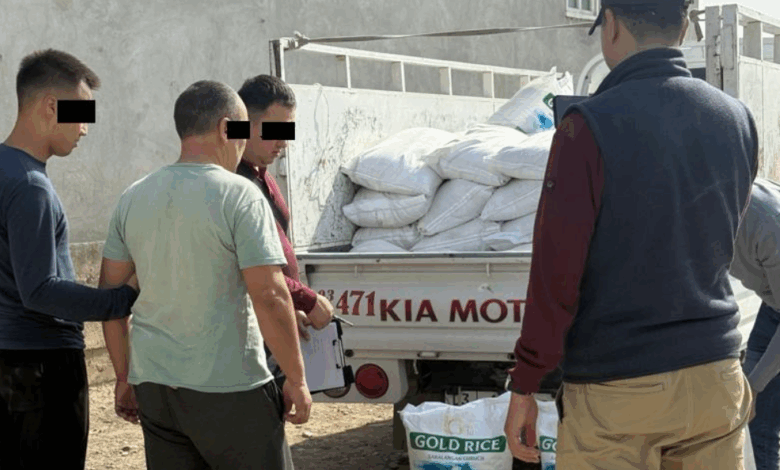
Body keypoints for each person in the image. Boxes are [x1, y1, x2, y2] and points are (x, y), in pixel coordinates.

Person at [502, 1, 759, 468]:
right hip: (714, 378)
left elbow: (556, 274)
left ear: (612, 25)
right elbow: (723, 234)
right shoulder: (737, 119)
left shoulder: (587, 127)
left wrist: (526, 382)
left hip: (616, 390)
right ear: (685, 27)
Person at [100, 80, 311, 470]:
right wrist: (297, 380)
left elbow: (111, 298)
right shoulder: (239, 195)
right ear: (225, 128)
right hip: (230, 389)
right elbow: (270, 295)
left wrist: (123, 376)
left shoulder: (133, 197)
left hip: (157, 388)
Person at [0, 49, 139, 469]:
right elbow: (40, 290)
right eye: (81, 114)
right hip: (40, 369)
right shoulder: (30, 186)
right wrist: (122, 298)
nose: (84, 129)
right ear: (49, 106)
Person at [235, 74, 334, 387]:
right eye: (274, 131)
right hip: (245, 336)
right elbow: (254, 268)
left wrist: (290, 306)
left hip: (270, 324)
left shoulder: (261, 174)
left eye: (287, 131)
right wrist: (306, 299)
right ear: (243, 125)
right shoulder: (234, 184)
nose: (283, 142)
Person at [731, 178, 780, 470]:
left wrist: (755, 386)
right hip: (773, 304)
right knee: (752, 416)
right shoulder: (699, 210)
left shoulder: (768, 222)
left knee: (760, 421)